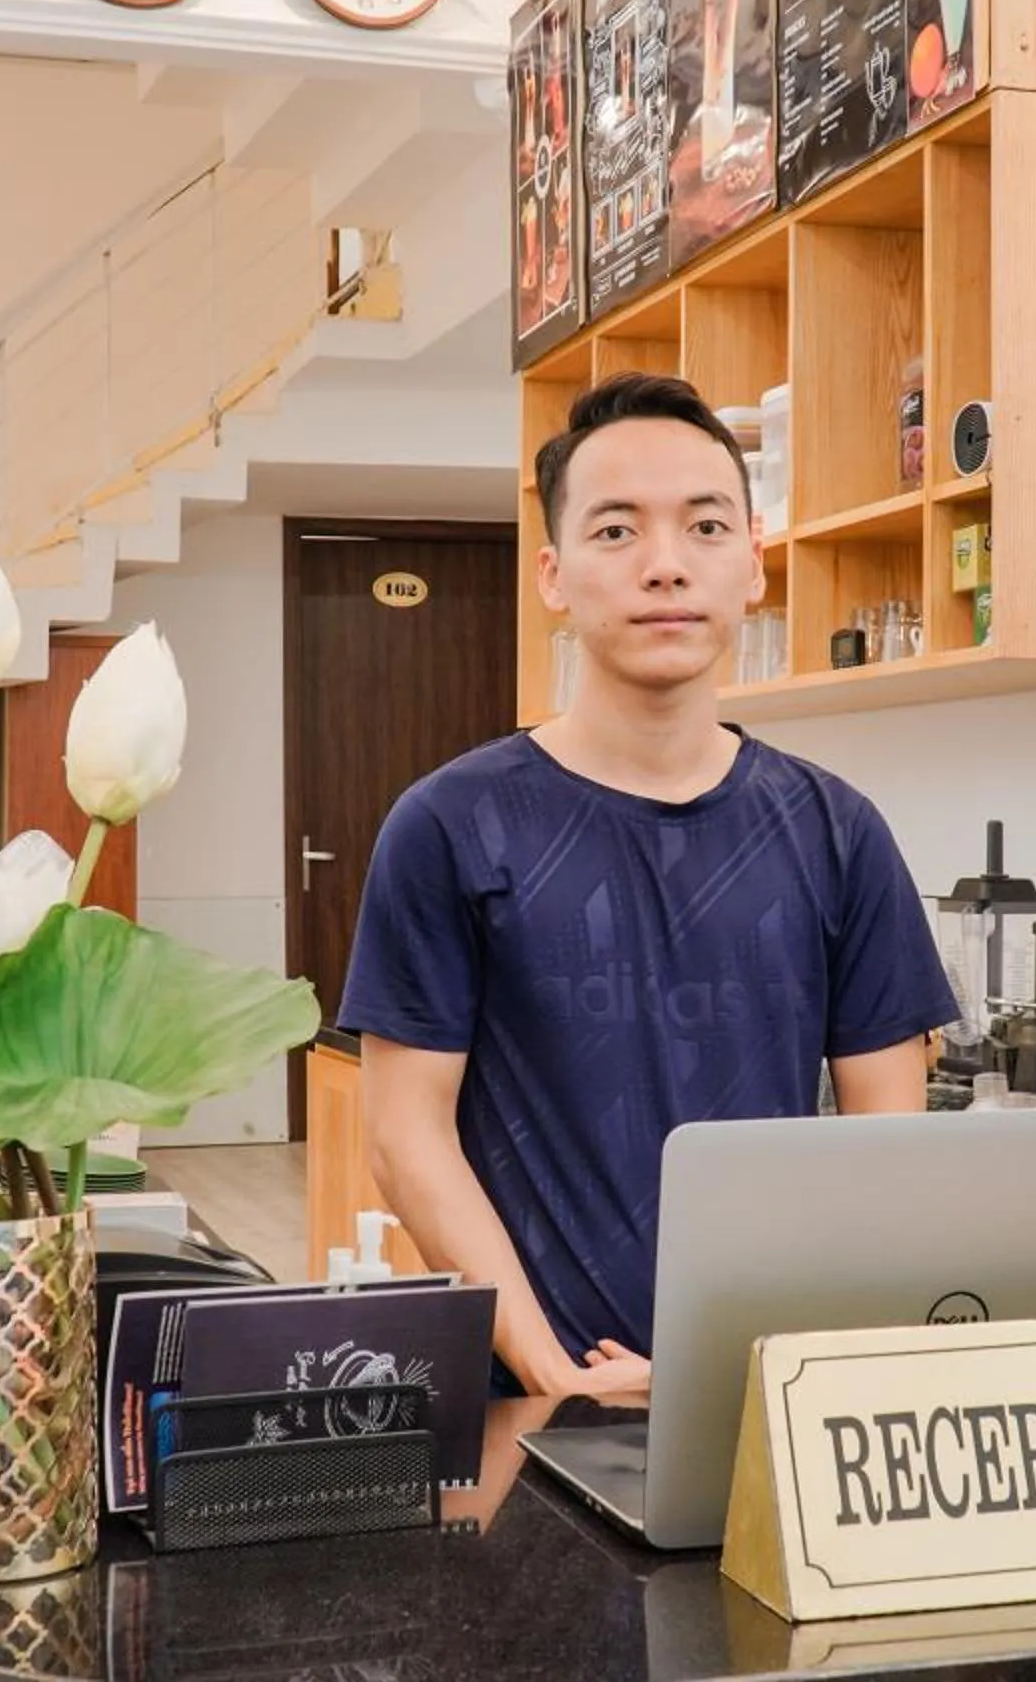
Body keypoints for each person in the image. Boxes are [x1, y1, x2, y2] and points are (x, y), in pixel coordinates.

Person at [339, 374, 953, 1401]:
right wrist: (550, 1371)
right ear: (552, 574)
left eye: (706, 525)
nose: (666, 565)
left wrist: (779, 1356)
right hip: (531, 1406)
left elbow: (885, 1147)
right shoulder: (450, 826)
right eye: (617, 530)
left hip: (776, 1393)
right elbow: (406, 1138)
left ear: (753, 563)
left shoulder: (837, 830)